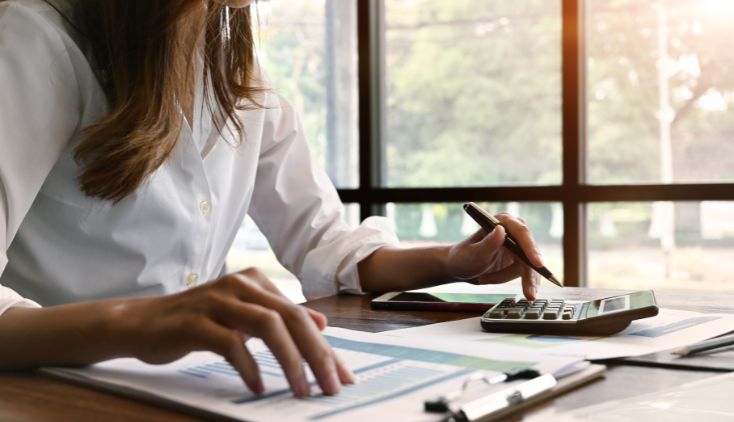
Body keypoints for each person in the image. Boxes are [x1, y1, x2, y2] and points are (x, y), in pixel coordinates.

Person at [0, 0, 544, 398]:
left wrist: (455, 260)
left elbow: (324, 242)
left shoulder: (236, 76)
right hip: (47, 397)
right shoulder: (32, 40)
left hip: (193, 393)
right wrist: (141, 322)